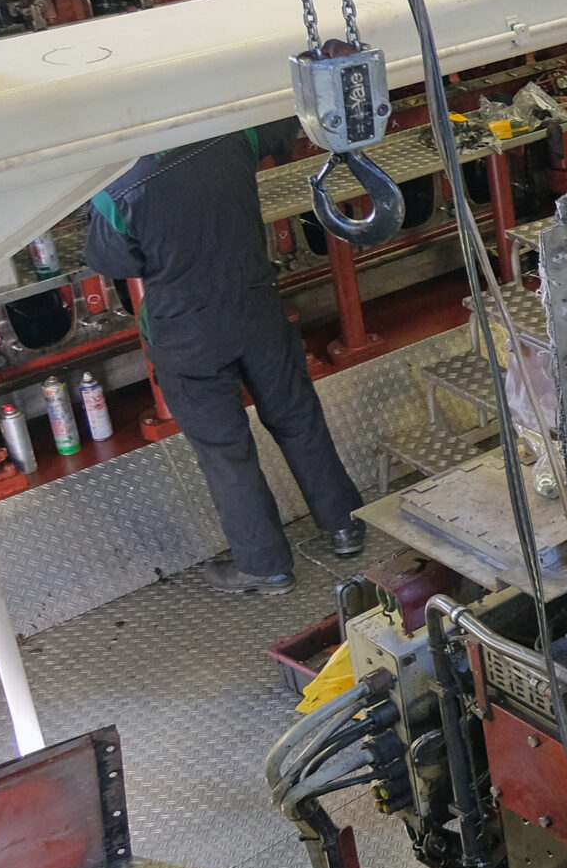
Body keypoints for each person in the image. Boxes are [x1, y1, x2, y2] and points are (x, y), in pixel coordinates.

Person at [85, 124, 364, 592]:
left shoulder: (117, 188)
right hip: (256, 306)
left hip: (187, 329)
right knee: (298, 418)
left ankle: (265, 565)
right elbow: (284, 131)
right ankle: (344, 526)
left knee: (225, 450)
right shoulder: (231, 137)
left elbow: (115, 263)